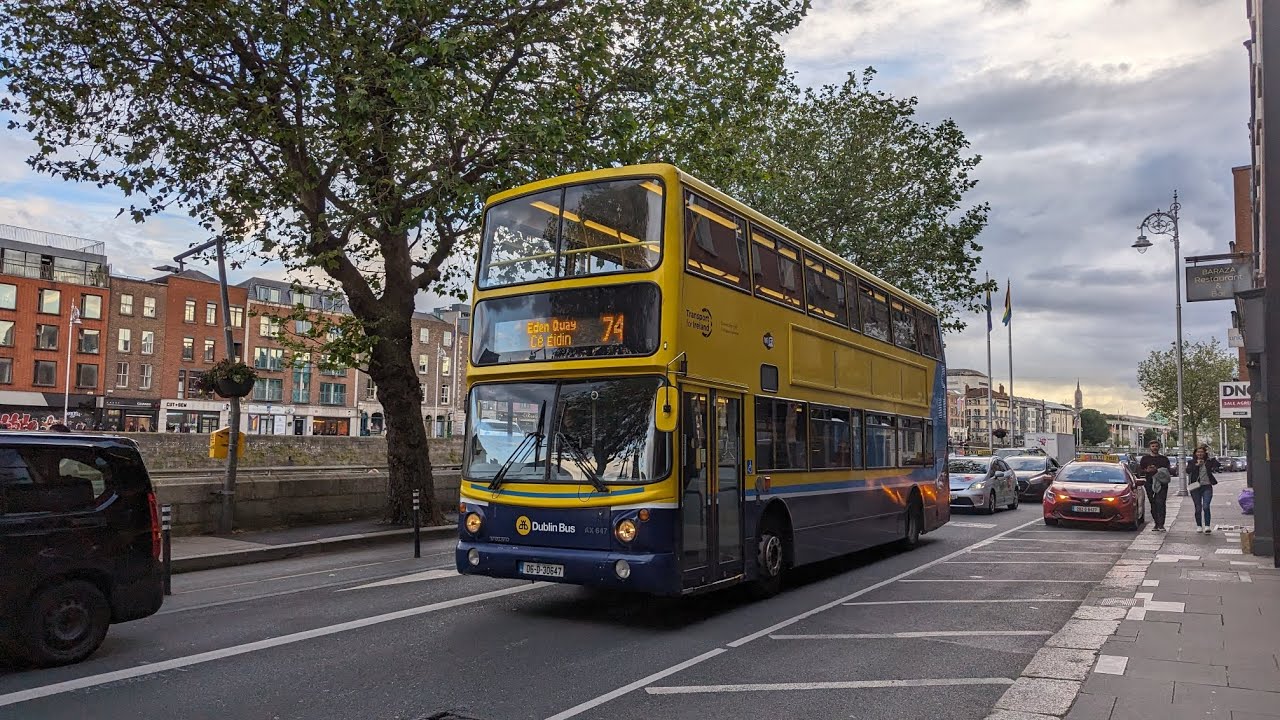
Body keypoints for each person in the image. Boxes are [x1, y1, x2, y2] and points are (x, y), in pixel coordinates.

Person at [1138, 439, 1172, 531]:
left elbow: (1169, 471)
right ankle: (1156, 523)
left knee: (1160, 503)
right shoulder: (1145, 459)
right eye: (1153, 446)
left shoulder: (1164, 459)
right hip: (1149, 483)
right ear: (1150, 448)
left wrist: (1158, 470)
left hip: (1162, 484)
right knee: (1153, 503)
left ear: (1159, 447)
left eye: (1156, 446)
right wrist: (1147, 471)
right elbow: (1140, 470)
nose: (1155, 448)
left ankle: (1161, 524)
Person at [1185, 444, 1220, 534]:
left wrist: (1212, 457)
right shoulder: (1191, 462)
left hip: (1207, 486)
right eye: (1198, 452)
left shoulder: (1208, 461)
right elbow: (1188, 471)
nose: (1200, 454)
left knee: (1206, 506)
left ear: (1205, 453)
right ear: (1195, 453)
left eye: (1202, 452)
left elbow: (1218, 465)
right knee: (1198, 508)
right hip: (1195, 487)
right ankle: (1199, 525)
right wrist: (1197, 465)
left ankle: (1207, 525)